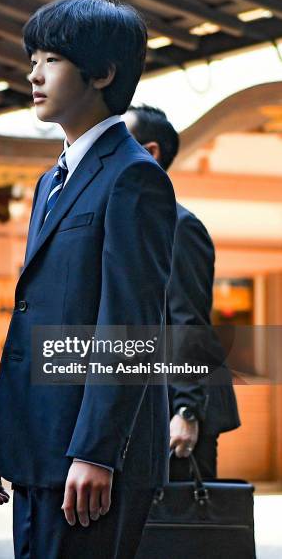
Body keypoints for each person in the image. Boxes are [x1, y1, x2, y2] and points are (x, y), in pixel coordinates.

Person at [0, 0, 177, 558]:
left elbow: (129, 323)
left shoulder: (135, 177)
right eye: (31, 58)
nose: (34, 74)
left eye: (51, 59)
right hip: (37, 444)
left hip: (91, 464)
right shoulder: (51, 181)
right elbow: (32, 318)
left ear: (103, 73)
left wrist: (96, 451)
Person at [124, 105, 240, 480]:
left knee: (185, 531)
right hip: (149, 405)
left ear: (150, 151)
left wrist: (186, 411)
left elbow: (187, 320)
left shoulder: (178, 226)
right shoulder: (132, 225)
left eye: (117, 138)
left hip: (181, 408)